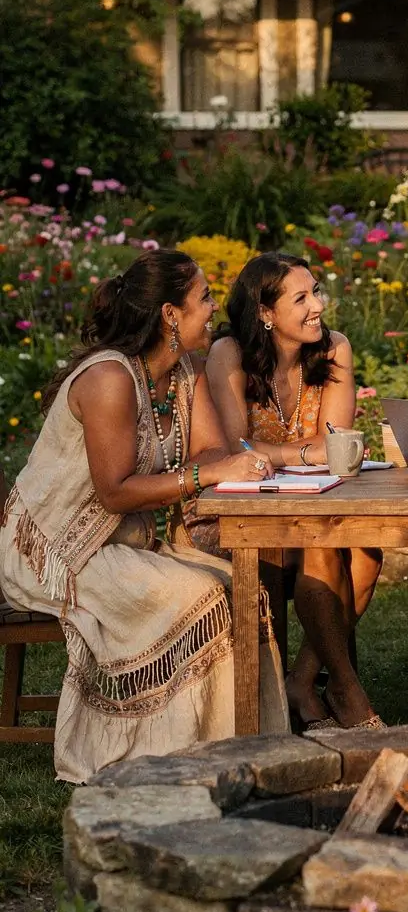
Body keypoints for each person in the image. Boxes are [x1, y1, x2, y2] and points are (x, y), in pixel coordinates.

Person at [0, 250, 288, 785]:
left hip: (126, 539)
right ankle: (172, 760)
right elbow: (114, 492)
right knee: (199, 599)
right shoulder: (110, 379)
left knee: (243, 587)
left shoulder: (183, 373)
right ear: (169, 315)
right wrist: (207, 477)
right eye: (203, 298)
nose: (212, 308)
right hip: (61, 551)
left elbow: (206, 451)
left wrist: (218, 466)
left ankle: (247, 750)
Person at [206, 253, 383, 732]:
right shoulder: (230, 354)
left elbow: (338, 442)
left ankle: (304, 681)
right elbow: (233, 447)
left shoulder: (333, 349)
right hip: (238, 511)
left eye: (317, 292)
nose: (317, 306)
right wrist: (305, 453)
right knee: (323, 549)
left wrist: (279, 453)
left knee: (367, 554)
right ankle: (346, 690)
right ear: (265, 313)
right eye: (301, 297)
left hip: (313, 501)